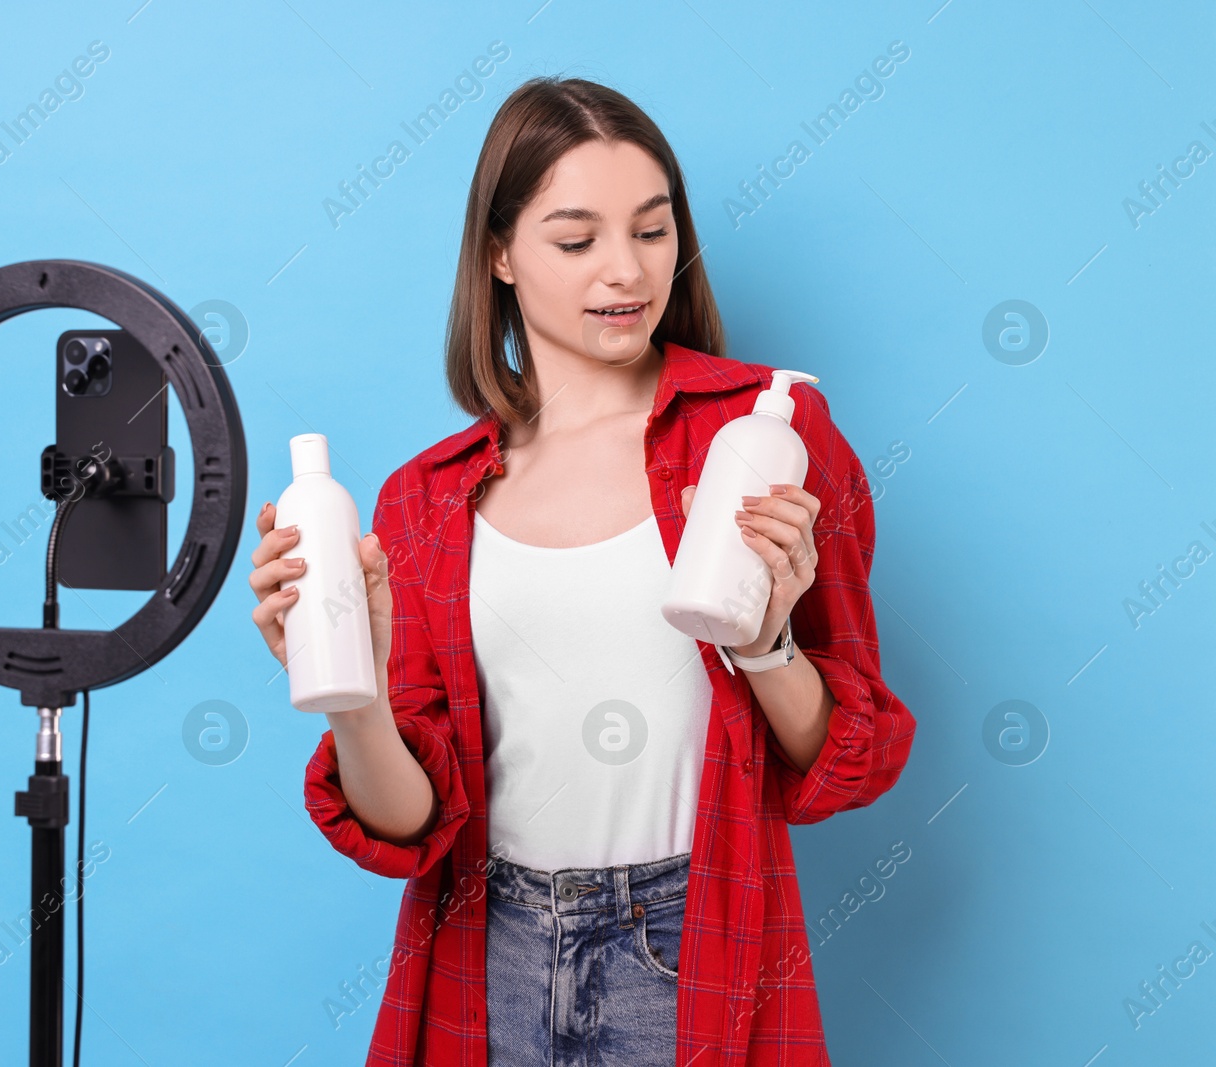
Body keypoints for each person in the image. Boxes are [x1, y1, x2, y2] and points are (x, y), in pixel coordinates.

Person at [249, 75, 916, 1067]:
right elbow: (410, 823)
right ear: (500, 253)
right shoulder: (425, 498)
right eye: (577, 238)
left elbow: (844, 760)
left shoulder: (763, 433)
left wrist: (766, 642)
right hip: (487, 951)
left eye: (651, 231)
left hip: (685, 947)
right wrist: (352, 698)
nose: (625, 270)